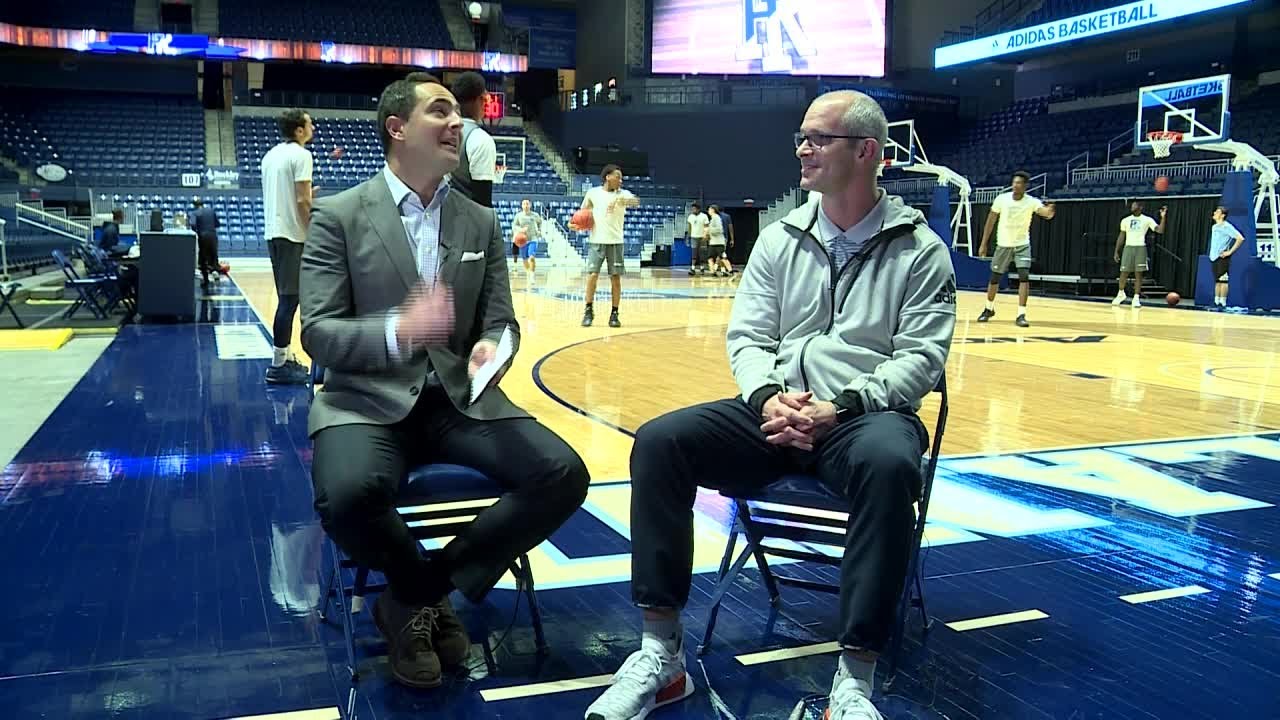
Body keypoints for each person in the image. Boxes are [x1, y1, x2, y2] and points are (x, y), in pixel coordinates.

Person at [584, 90, 956, 720]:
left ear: (866, 151)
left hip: (862, 419)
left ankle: (854, 683)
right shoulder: (779, 239)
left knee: (893, 466)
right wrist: (768, 399)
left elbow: (922, 359)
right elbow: (748, 338)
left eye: (819, 138)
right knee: (660, 441)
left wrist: (838, 407)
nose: (802, 149)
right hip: (773, 410)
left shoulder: (920, 251)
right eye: (800, 138)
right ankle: (661, 656)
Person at [301, 72, 589, 690]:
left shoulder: (479, 221)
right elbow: (319, 335)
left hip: (459, 400)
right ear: (397, 129)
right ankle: (427, 599)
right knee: (347, 496)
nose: (457, 122)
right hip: (366, 401)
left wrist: (494, 348)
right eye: (440, 112)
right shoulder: (338, 215)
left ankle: (416, 598)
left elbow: (501, 319)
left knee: (563, 474)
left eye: (458, 113)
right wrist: (399, 332)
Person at [261, 107, 315, 384]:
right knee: (290, 301)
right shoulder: (302, 155)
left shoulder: (271, 155)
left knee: (290, 299)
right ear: (298, 130)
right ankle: (279, 364)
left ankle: (287, 356)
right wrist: (314, 230)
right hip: (293, 235)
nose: (313, 128)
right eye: (309, 124)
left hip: (274, 233)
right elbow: (302, 201)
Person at [976, 170, 1055, 327]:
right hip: (1004, 244)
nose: (1015, 185)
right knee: (995, 278)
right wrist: (983, 243)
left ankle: (1021, 314)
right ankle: (988, 308)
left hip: (1022, 244)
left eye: (1019, 183)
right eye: (1014, 182)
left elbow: (1043, 212)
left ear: (1025, 186)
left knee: (1024, 276)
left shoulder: (1031, 201)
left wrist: (1049, 212)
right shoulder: (1002, 199)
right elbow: (990, 221)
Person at [573, 164, 638, 328]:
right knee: (592, 276)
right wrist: (575, 224)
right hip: (596, 240)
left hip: (616, 241)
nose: (621, 180)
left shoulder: (623, 194)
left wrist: (622, 200)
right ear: (608, 176)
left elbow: (636, 201)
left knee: (615, 278)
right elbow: (583, 214)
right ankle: (588, 310)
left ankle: (614, 313)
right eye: (618, 176)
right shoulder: (593, 193)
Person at [448, 71, 497, 208]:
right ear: (479, 99)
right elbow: (483, 201)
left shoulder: (438, 132)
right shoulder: (480, 139)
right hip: (466, 220)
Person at [1112, 202, 1166, 307]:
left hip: (1140, 247)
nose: (1132, 207)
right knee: (1124, 272)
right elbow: (1121, 236)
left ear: (1141, 207)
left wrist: (1163, 217)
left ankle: (1136, 298)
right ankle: (1120, 294)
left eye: (1135, 205)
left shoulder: (1147, 219)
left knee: (1139, 274)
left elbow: (1160, 230)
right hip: (1128, 247)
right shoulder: (1125, 220)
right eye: (1132, 205)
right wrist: (1116, 251)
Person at [1208, 205, 1245, 310]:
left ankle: (1223, 302)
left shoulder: (1227, 226)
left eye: (1217, 212)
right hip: (1214, 257)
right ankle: (1216, 301)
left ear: (1223, 215)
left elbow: (1240, 238)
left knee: (1223, 280)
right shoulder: (1214, 227)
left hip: (1222, 257)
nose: (1214, 213)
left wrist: (1229, 252)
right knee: (1217, 280)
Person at [192, 199, 222, 287]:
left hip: (203, 236)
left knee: (203, 256)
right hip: (213, 235)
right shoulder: (211, 210)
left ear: (195, 206)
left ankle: (205, 279)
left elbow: (193, 224)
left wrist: (196, 231)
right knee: (213, 254)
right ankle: (215, 271)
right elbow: (217, 224)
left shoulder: (195, 213)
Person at [512, 198, 543, 272]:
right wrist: (521, 230)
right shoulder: (518, 216)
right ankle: (528, 273)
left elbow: (540, 223)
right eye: (524, 204)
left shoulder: (535, 215)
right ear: (522, 206)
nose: (526, 205)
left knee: (531, 257)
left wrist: (539, 230)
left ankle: (532, 275)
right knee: (525, 259)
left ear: (530, 205)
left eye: (527, 204)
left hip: (533, 238)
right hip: (523, 240)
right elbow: (514, 226)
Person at [685, 202, 709, 276]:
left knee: (702, 253)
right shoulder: (690, 217)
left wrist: (706, 236)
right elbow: (689, 227)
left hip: (702, 237)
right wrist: (688, 236)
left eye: (694, 209)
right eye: (692, 209)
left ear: (698, 209)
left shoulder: (704, 216)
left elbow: (706, 227)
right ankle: (693, 268)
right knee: (694, 253)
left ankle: (702, 268)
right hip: (693, 237)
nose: (693, 210)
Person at [706, 205, 728, 276]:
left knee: (720, 257)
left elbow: (719, 229)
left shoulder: (716, 218)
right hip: (714, 241)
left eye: (709, 209)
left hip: (718, 242)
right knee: (717, 257)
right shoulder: (713, 218)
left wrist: (709, 230)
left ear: (713, 210)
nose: (708, 211)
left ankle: (726, 271)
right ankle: (716, 271)